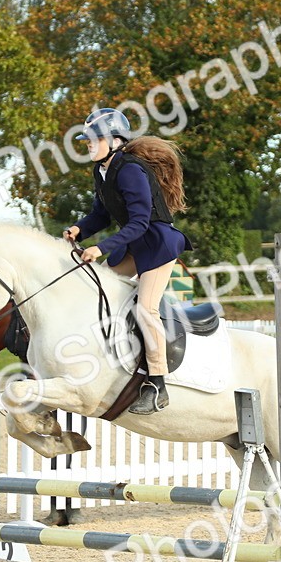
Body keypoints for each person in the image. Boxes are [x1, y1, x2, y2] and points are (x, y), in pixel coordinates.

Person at [63, 108, 192, 415]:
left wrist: (101, 248)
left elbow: (140, 222)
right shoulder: (101, 171)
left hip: (158, 245)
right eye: (87, 141)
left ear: (115, 140)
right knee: (97, 289)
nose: (89, 146)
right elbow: (101, 215)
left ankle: (157, 383)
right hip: (135, 245)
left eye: (94, 140)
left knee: (146, 308)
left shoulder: (131, 169)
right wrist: (80, 228)